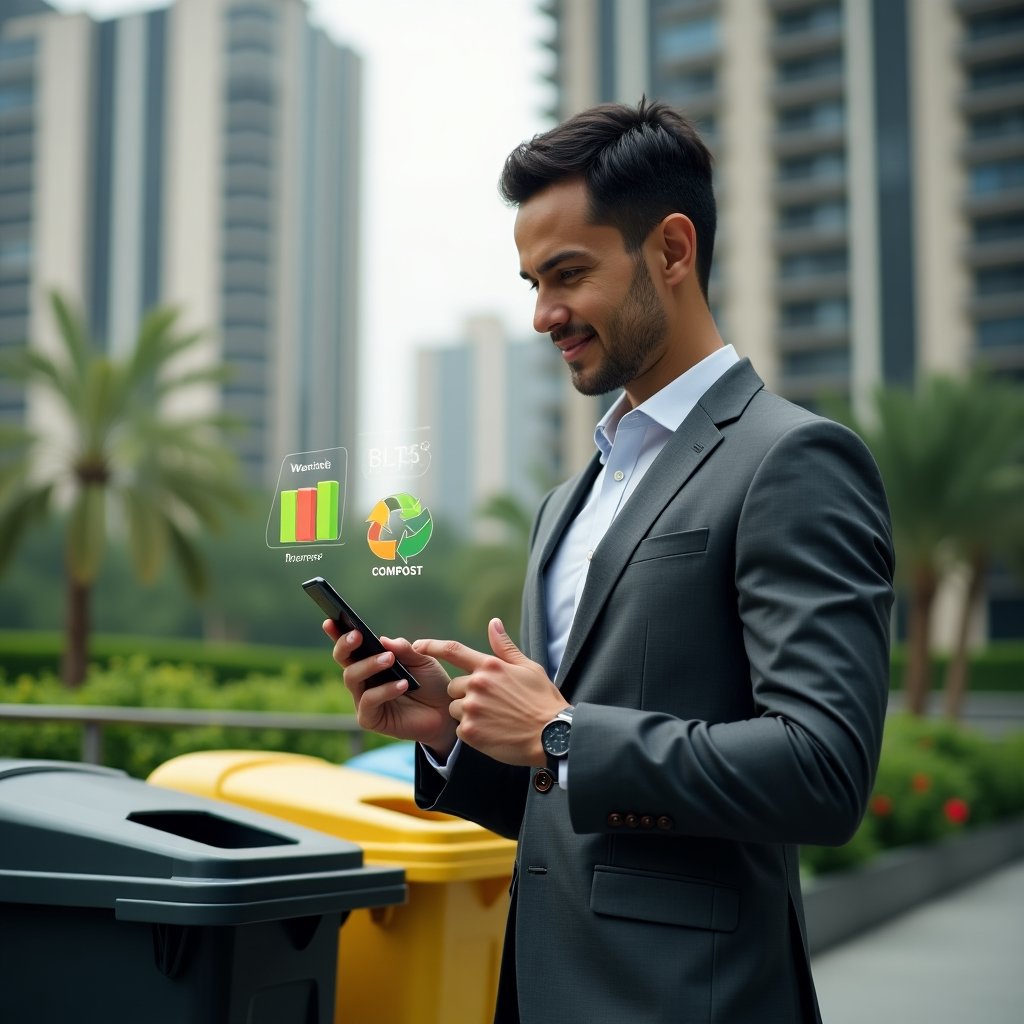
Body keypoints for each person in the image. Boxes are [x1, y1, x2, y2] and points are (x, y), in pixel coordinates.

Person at [328, 99, 894, 1023]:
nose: (546, 313)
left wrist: (561, 732)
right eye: (531, 283)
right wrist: (453, 734)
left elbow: (823, 771)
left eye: (569, 274)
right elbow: (564, 801)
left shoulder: (792, 460)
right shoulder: (567, 503)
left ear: (672, 251)